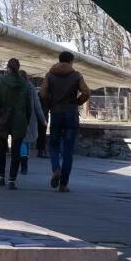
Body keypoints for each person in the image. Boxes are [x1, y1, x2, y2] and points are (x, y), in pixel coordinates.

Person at [41, 50, 90, 192]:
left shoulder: (50, 75)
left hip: (56, 113)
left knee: (54, 145)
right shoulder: (76, 75)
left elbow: (43, 93)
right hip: (71, 114)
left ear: (59, 60)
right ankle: (63, 184)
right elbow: (86, 92)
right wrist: (76, 102)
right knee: (68, 150)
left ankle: (56, 169)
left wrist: (49, 103)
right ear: (71, 61)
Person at [0, 58, 31, 188]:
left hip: (3, 118)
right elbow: (29, 106)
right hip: (20, 119)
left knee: (2, 148)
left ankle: (1, 177)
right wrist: (26, 121)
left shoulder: (2, 81)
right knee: (16, 150)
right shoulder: (24, 84)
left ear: (8, 68)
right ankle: (12, 180)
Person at [20, 70, 47, 175]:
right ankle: (24, 163)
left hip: (18, 118)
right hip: (30, 118)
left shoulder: (15, 87)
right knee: (26, 141)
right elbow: (37, 106)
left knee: (21, 140)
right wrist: (43, 119)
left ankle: (22, 163)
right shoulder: (31, 88)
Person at [32, 76, 49, 157]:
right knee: (42, 134)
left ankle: (40, 150)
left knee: (40, 133)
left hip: (38, 116)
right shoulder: (48, 95)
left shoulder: (39, 94)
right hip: (44, 116)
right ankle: (41, 150)